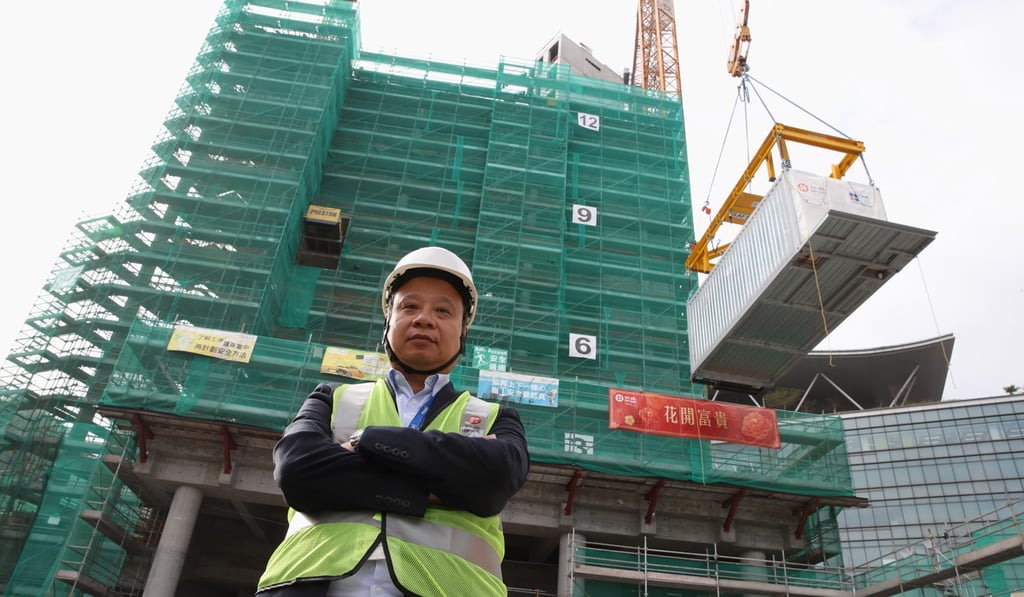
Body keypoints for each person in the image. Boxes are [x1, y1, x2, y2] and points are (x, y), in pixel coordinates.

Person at [256, 246, 530, 596]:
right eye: (410, 306)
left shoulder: (496, 417)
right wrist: (440, 485)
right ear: (389, 322)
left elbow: (495, 479)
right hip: (306, 583)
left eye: (443, 311)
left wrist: (365, 441)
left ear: (463, 332)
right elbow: (298, 471)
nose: (424, 319)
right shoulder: (331, 397)